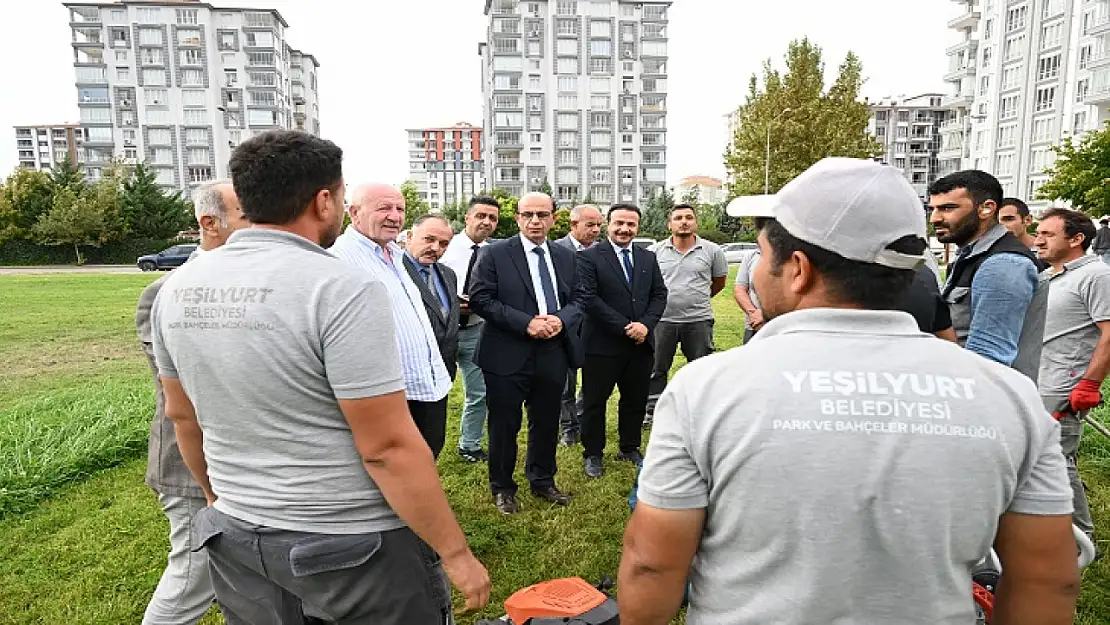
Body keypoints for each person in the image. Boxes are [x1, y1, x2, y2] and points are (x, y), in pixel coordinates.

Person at [618, 157, 1079, 625]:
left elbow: (653, 564)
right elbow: (1047, 578)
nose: (755, 273)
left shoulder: (706, 388)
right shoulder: (1010, 398)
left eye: (760, 254)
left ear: (797, 269)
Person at [150, 130, 490, 623]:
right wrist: (456, 553)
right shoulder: (342, 285)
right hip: (349, 545)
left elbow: (183, 417)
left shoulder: (178, 287)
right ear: (325, 200)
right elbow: (387, 446)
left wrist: (217, 501)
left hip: (238, 533)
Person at [137, 180, 247, 625]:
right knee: (192, 575)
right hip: (192, 463)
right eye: (248, 217)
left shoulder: (253, 283)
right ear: (210, 224)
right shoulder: (171, 292)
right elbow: (188, 393)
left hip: (246, 462)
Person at [468, 192, 584, 515]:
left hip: (552, 351)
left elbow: (580, 298)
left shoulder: (566, 256)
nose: (535, 220)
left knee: (546, 420)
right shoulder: (494, 254)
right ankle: (503, 488)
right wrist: (527, 323)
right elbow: (481, 299)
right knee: (504, 424)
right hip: (506, 350)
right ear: (517, 217)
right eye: (528, 214)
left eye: (542, 214)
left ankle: (543, 479)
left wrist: (560, 320)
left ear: (553, 218)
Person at [330, 183, 452, 458]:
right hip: (389, 394)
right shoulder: (339, 259)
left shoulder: (396, 255)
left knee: (426, 458)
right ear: (354, 213)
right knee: (393, 468)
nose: (395, 216)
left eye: (400, 209)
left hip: (429, 383)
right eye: (384, 208)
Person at [928, 170, 1048, 382]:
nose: (935, 218)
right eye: (933, 209)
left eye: (948, 208)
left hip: (983, 396)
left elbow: (988, 361)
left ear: (986, 208)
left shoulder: (1003, 264)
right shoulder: (972, 256)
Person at [1035, 207, 1110, 545]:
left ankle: (1082, 537)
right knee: (1043, 457)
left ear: (1077, 239)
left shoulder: (1096, 275)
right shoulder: (1054, 274)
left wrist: (1090, 384)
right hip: (1041, 377)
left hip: (1064, 384)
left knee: (1056, 458)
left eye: (1048, 234)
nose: (1039, 239)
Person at [577, 203, 668, 478]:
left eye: (631, 224)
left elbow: (659, 295)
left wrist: (645, 325)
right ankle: (593, 453)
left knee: (635, 399)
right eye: (619, 223)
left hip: (640, 346)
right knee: (595, 401)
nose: (625, 229)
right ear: (608, 224)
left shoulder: (647, 258)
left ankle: (629, 447)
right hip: (601, 345)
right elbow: (589, 299)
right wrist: (626, 326)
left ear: (637, 227)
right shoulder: (589, 257)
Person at [645, 204, 729, 425]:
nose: (684, 221)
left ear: (696, 222)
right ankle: (652, 411)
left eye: (689, 217)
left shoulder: (713, 251)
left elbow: (718, 282)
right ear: (669, 224)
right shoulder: (655, 252)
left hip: (698, 319)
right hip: (662, 320)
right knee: (656, 369)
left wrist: (695, 298)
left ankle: (700, 410)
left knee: (701, 368)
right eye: (678, 217)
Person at [440, 197, 500, 463]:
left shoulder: (496, 254)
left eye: (492, 218)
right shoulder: (445, 247)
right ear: (467, 218)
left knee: (480, 393)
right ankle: (424, 444)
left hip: (477, 330)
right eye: (481, 216)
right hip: (442, 332)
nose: (486, 222)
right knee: (432, 393)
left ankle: (470, 445)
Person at [401, 213, 461, 458]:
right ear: (408, 237)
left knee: (432, 442)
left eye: (444, 243)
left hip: (440, 375)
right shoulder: (395, 273)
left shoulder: (447, 274)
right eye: (429, 239)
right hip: (405, 380)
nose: (435, 248)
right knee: (406, 449)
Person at [551, 204, 604, 446]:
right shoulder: (555, 251)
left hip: (596, 326)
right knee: (565, 382)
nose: (595, 230)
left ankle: (583, 417)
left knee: (593, 377)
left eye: (599, 225)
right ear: (574, 225)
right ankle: (568, 427)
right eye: (589, 224)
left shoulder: (602, 252)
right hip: (567, 324)